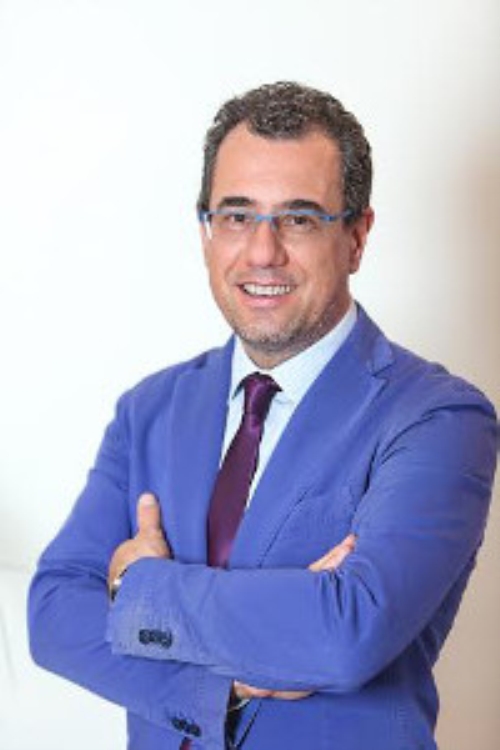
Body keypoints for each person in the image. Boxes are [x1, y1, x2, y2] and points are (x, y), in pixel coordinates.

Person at [29, 82, 498, 750]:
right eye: (236, 216)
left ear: (357, 236)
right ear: (206, 231)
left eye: (299, 219)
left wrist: (137, 585)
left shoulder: (438, 418)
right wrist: (221, 683)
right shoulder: (150, 409)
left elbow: (344, 635)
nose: (261, 252)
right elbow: (53, 613)